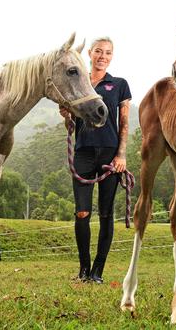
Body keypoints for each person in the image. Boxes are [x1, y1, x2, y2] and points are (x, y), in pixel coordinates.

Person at [60, 37, 131, 284]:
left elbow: (124, 123)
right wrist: (66, 116)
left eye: (108, 52)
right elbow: (72, 125)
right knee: (82, 212)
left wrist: (121, 155)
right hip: (84, 152)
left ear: (112, 56)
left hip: (110, 153)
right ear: (89, 53)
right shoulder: (80, 83)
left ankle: (97, 272)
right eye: (98, 51)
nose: (103, 56)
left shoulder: (119, 85)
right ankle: (83, 270)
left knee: (106, 213)